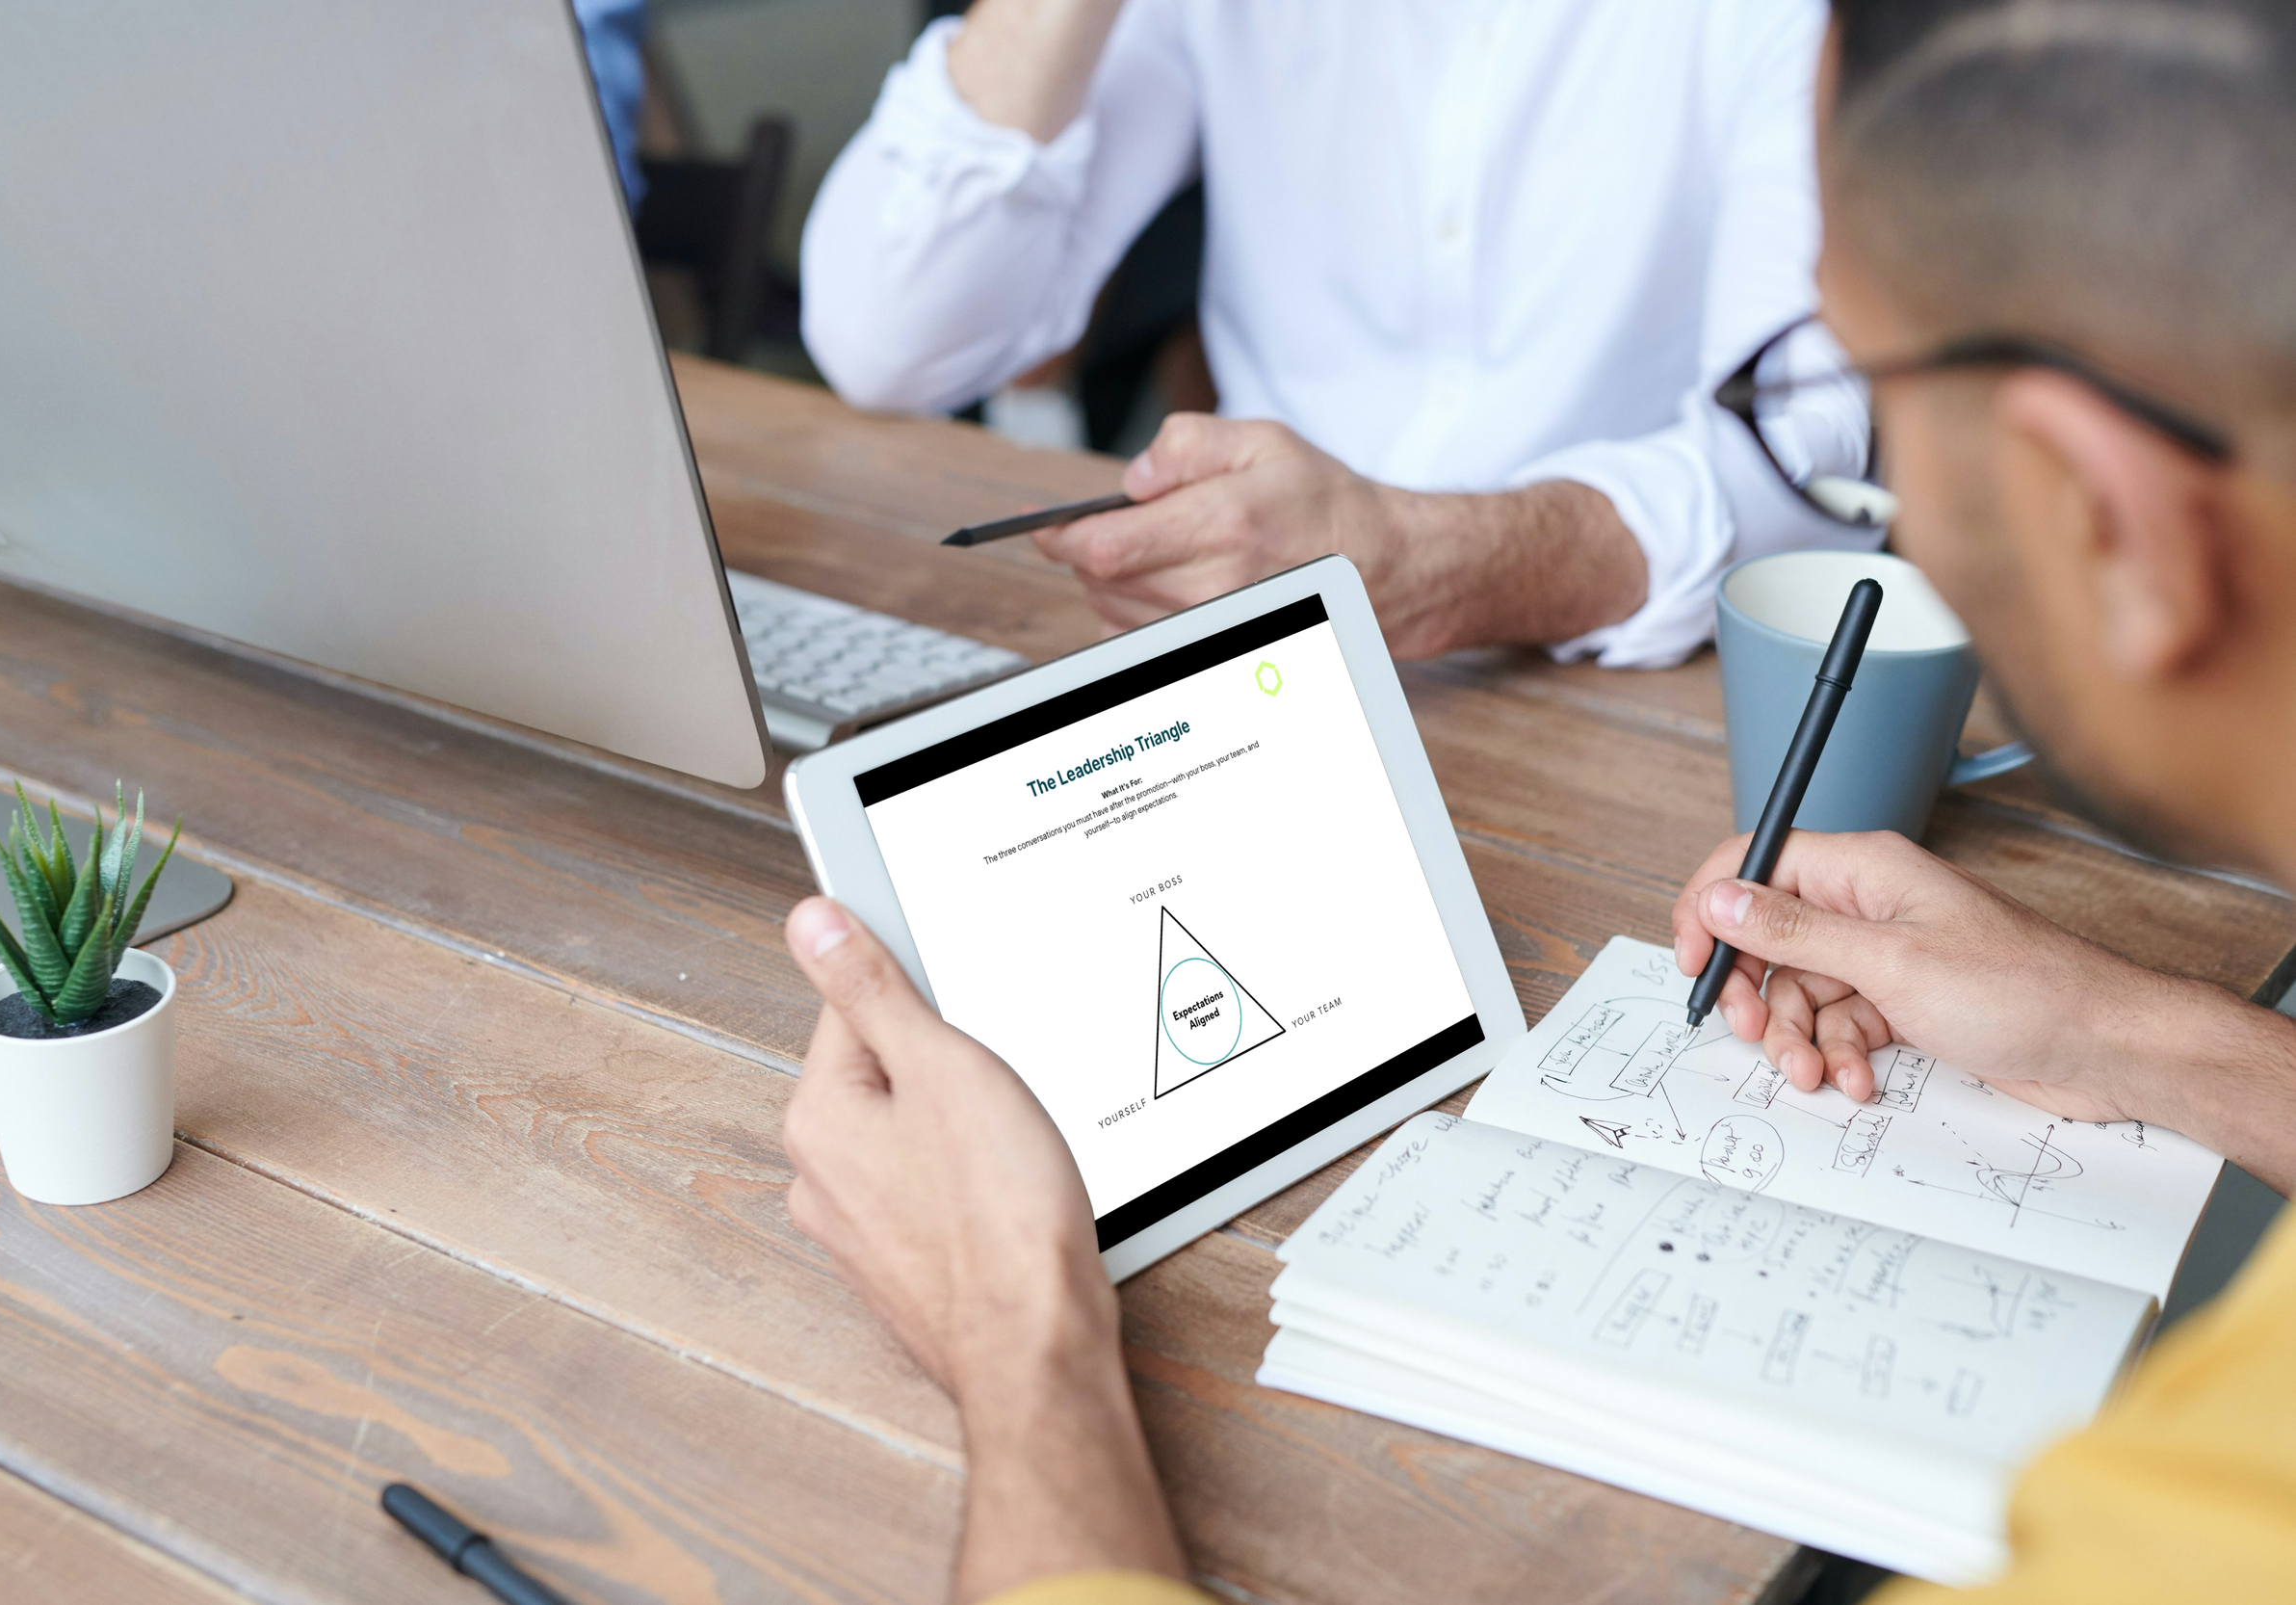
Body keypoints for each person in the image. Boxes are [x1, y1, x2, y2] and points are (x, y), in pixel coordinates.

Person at [775, 0, 2296, 1598]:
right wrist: (2150, 1036)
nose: (1862, 466)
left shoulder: (2185, 1517)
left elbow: (1784, 502)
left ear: (2111, 519)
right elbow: (888, 335)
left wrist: (1016, 1317)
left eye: (1859, 402)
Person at [800, 0, 1869, 668]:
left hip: (1656, 708)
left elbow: (1816, 455)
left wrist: (1437, 561)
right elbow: (893, 335)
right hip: (1252, 678)